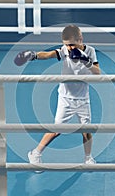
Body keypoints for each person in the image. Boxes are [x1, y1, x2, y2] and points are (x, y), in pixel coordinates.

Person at [14, 24, 100, 167]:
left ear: (80, 39)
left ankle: (88, 158)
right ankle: (35, 153)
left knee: (86, 131)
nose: (70, 48)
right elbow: (48, 54)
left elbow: (97, 73)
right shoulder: (65, 51)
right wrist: (34, 55)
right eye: (66, 45)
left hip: (83, 98)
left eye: (72, 45)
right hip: (65, 98)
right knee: (56, 130)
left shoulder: (90, 51)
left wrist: (86, 61)